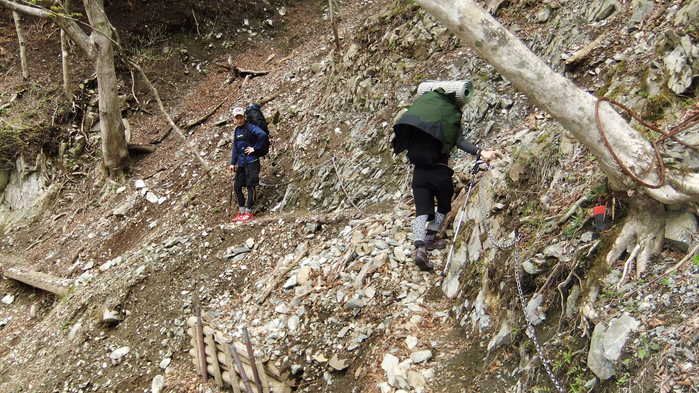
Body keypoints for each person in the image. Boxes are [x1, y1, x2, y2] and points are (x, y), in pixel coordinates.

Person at [392, 88, 502, 272]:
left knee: (421, 213)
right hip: (440, 173)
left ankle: (419, 248)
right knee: (443, 206)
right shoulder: (446, 123)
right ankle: (432, 236)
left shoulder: (416, 126)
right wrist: (481, 152)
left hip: (419, 174)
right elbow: (460, 141)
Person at [229, 107, 269, 223]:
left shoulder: (250, 127)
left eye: (241, 117)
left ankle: (248, 212)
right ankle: (241, 212)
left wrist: (254, 148)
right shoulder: (237, 130)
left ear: (244, 117)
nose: (239, 120)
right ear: (234, 119)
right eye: (237, 118)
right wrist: (232, 163)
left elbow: (262, 135)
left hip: (252, 162)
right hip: (241, 163)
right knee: (237, 186)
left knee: (251, 186)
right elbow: (235, 148)